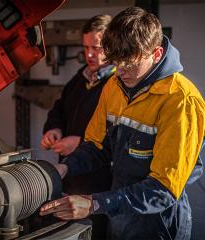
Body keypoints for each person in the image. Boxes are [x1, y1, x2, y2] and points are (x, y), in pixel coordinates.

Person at [40, 6, 205, 240]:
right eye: (117, 62)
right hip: (118, 215)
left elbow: (163, 190)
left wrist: (93, 204)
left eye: (130, 63)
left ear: (156, 54)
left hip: (158, 224)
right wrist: (63, 168)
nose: (121, 71)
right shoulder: (114, 85)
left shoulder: (180, 101)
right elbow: (97, 146)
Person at [41, 15, 114, 239]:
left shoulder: (117, 85)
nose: (89, 54)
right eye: (85, 47)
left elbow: (115, 137)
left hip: (100, 185)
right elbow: (59, 109)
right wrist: (54, 129)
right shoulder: (80, 78)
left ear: (112, 46)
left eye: (96, 47)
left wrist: (79, 143)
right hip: (71, 177)